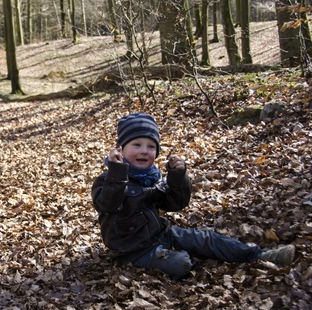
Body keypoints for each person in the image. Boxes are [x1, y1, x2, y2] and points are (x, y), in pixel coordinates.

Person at [91, 112, 295, 280]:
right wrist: (117, 175)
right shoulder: (108, 179)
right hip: (131, 250)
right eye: (137, 145)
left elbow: (175, 203)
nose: (144, 151)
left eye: (151, 146)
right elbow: (107, 205)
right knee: (181, 263)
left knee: (207, 238)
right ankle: (176, 258)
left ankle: (258, 254)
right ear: (121, 149)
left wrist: (178, 177)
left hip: (161, 234)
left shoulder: (151, 176)